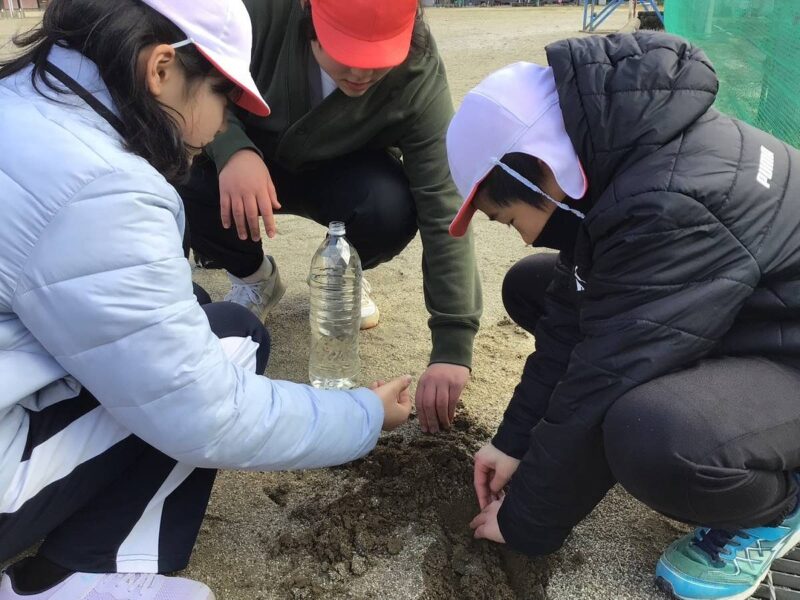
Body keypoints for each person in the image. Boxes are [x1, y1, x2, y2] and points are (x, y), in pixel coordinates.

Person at [0, 1, 413, 598]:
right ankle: (76, 575)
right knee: (232, 343)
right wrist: (365, 416)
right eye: (222, 96)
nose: (223, 126)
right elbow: (207, 413)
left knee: (198, 310)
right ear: (162, 69)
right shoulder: (101, 187)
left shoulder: (25, 96)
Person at [446, 31, 800, 600]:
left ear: (545, 171)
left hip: (788, 353)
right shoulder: (632, 159)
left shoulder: (671, 202)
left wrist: (529, 520)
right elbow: (572, 324)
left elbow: (606, 374)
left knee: (651, 432)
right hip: (762, 317)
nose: (520, 237)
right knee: (535, 286)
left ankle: (775, 509)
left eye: (509, 221)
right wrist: (514, 442)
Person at [178, 0, 482, 434]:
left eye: (377, 59)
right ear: (309, 18)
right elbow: (193, 81)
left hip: (344, 172)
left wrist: (453, 343)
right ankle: (253, 277)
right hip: (247, 158)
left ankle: (346, 274)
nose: (360, 75)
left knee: (389, 206)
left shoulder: (418, 70)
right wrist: (231, 149)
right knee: (187, 172)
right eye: (345, 53)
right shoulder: (258, 13)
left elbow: (442, 200)